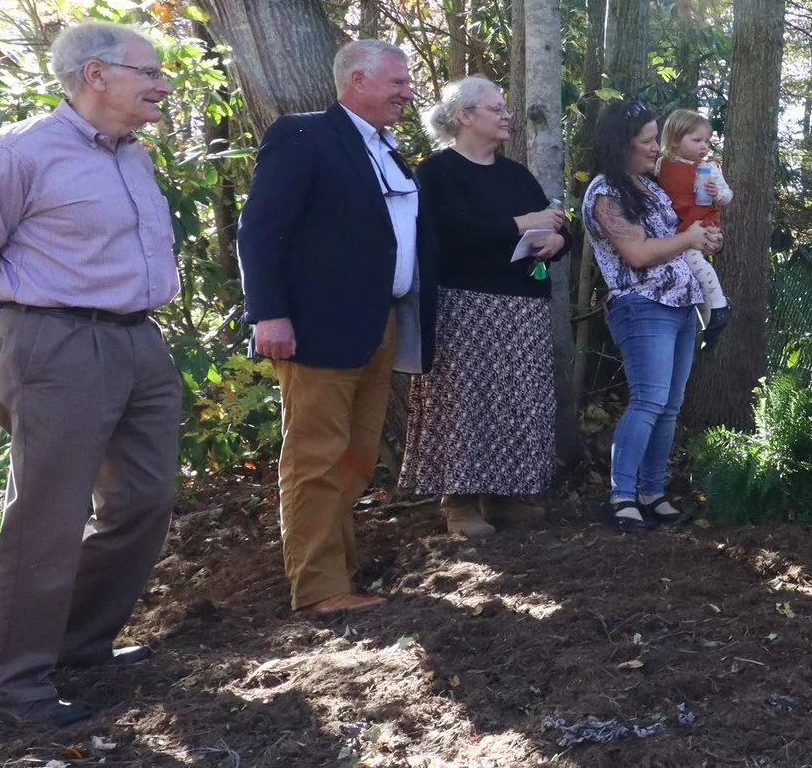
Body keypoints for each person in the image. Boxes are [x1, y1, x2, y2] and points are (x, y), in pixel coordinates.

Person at [0, 21, 181, 728]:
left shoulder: (133, 156)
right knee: (46, 519)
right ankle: (15, 687)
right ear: (96, 75)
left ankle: (80, 642)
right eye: (149, 71)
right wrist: (22, 330)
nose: (162, 84)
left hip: (140, 343)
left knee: (144, 498)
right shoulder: (13, 155)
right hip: (57, 345)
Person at [238, 39, 433, 618]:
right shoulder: (303, 136)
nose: (407, 92)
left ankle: (341, 572)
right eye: (397, 82)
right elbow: (260, 229)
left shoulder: (387, 151)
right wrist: (267, 313)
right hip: (314, 328)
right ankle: (319, 590)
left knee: (356, 456)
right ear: (356, 80)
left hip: (377, 323)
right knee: (315, 457)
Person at [398, 76, 566, 539]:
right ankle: (460, 502)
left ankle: (505, 494)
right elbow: (450, 233)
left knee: (516, 400)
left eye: (505, 107)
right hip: (464, 305)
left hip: (522, 305)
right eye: (495, 108)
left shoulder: (516, 174)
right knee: (465, 402)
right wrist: (521, 223)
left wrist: (556, 238)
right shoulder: (438, 171)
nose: (506, 115)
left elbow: (554, 225)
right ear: (464, 116)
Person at [583, 102, 717, 532]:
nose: (655, 148)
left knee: (669, 407)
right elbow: (637, 253)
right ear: (620, 144)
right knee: (648, 400)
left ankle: (651, 491)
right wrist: (686, 240)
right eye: (646, 141)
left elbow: (675, 240)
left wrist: (702, 238)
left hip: (681, 305)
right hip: (642, 306)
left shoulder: (651, 188)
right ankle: (622, 496)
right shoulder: (606, 193)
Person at [656, 108, 733, 351]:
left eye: (706, 141)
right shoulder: (662, 164)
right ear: (676, 140)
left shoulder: (709, 168)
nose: (704, 147)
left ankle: (719, 306)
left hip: (700, 222)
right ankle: (709, 318)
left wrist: (717, 193)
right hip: (678, 225)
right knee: (690, 272)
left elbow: (727, 197)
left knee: (693, 259)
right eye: (697, 140)